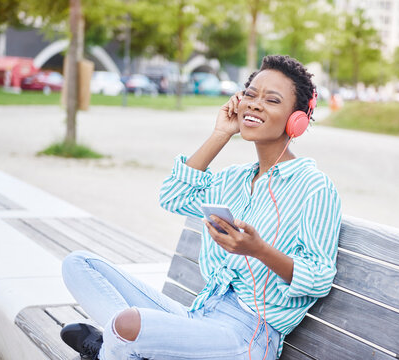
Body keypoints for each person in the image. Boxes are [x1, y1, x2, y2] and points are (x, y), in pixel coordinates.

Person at [59, 55, 342, 360]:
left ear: (296, 119)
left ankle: (113, 347)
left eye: (272, 100)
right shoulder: (234, 178)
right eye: (249, 95)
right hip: (200, 316)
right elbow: (173, 196)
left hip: (247, 336)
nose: (255, 104)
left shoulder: (315, 187)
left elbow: (319, 276)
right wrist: (220, 134)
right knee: (79, 264)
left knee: (129, 323)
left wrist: (259, 250)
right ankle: (122, 345)